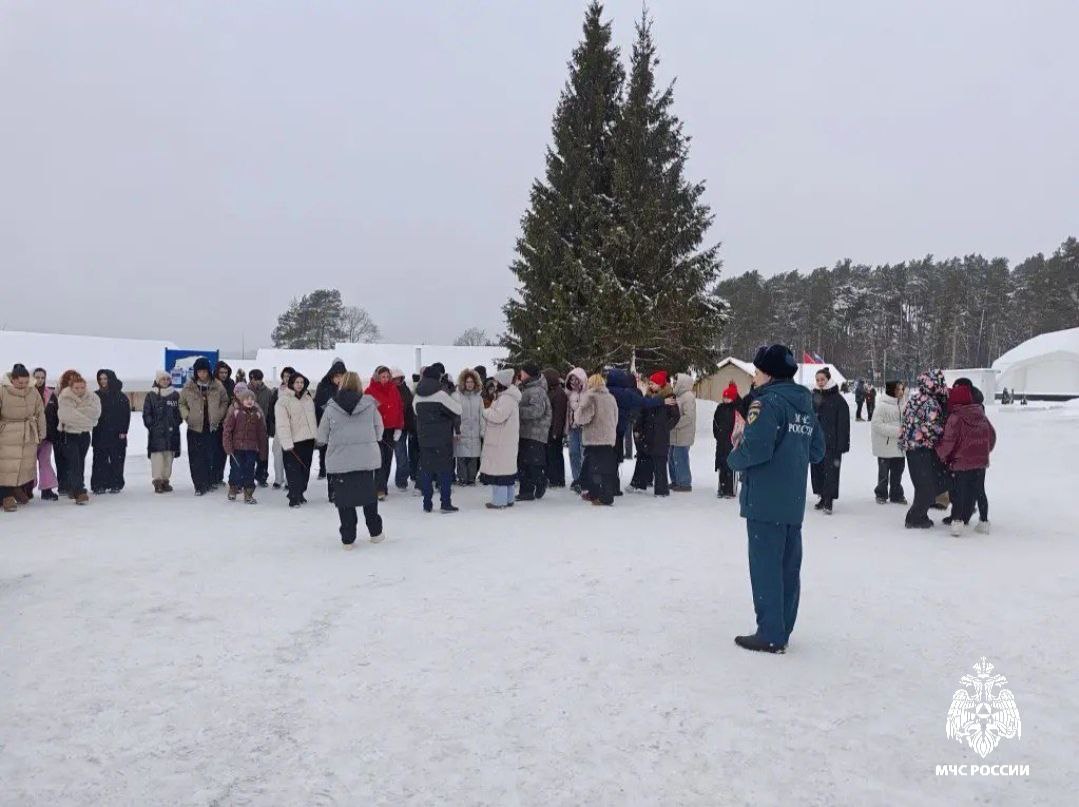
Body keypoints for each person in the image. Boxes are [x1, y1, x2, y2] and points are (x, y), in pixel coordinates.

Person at [727, 345, 825, 654]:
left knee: (766, 568)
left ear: (768, 374)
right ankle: (782, 627)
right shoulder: (804, 404)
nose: (754, 377)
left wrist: (734, 457)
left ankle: (770, 633)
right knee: (787, 569)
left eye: (757, 371)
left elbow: (757, 449)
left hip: (765, 499)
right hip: (792, 500)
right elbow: (817, 450)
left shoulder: (766, 403)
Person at [317, 371, 385, 546]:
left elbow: (322, 435)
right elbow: (379, 430)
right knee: (369, 497)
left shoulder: (331, 407)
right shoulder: (370, 405)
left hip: (340, 461)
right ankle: (375, 532)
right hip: (366, 459)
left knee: (345, 501)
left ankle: (348, 537)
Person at [898, 369, 949, 528]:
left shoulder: (914, 399)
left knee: (921, 485)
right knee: (927, 487)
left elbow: (906, 422)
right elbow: (931, 428)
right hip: (922, 449)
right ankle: (914, 518)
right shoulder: (931, 404)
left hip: (910, 448)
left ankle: (920, 515)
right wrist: (943, 432)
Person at [944, 378, 994, 534]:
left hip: (961, 461)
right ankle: (984, 521)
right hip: (980, 461)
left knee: (959, 491)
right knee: (980, 491)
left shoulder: (956, 416)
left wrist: (943, 455)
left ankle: (957, 522)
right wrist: (983, 451)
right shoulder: (980, 413)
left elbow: (949, 441)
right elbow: (991, 436)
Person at [414, 365, 463, 513]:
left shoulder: (417, 396)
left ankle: (427, 504)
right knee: (445, 471)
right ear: (438, 378)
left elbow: (416, 412)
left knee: (426, 470)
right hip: (442, 439)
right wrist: (453, 392)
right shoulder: (441, 395)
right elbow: (458, 409)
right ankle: (445, 503)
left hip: (424, 438)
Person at [179, 357, 230, 496]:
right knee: (196, 458)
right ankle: (199, 485)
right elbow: (181, 403)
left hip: (211, 426)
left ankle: (209, 481)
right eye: (199, 371)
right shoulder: (189, 386)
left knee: (210, 456)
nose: (202, 374)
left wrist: (219, 414)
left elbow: (225, 401)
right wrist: (187, 416)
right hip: (194, 427)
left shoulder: (217, 385)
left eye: (205, 371)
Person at [0, 364, 46, 512]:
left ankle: (16, 488)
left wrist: (41, 433)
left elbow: (40, 412)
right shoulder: (2, 390)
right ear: (12, 380)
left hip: (28, 433)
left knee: (24, 465)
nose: (24, 385)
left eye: (26, 382)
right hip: (7, 433)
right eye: (20, 382)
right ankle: (6, 496)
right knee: (6, 466)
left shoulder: (33, 391)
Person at [629, 372, 679, 496]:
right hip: (647, 434)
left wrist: (665, 427)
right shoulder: (648, 397)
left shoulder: (669, 397)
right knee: (644, 458)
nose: (650, 385)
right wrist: (638, 428)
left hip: (660, 436)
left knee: (660, 463)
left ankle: (661, 490)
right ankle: (640, 484)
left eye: (653, 383)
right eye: (650, 383)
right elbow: (641, 414)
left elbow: (675, 416)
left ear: (660, 384)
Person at [56, 370, 102, 505]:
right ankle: (79, 491)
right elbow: (66, 416)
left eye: (82, 387)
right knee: (73, 462)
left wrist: (78, 412)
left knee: (80, 462)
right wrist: (87, 420)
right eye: (76, 388)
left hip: (84, 435)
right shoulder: (65, 397)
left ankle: (75, 487)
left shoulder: (92, 397)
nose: (79, 390)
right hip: (69, 435)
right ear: (71, 387)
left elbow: (96, 413)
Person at [575, 373, 620, 506]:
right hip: (608, 437)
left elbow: (582, 418)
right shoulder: (610, 397)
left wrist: (577, 412)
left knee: (594, 469)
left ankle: (600, 495)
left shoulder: (590, 397)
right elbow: (616, 417)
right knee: (605, 468)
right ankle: (601, 493)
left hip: (594, 437)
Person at [810, 367, 850, 514]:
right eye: (818, 380)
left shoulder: (838, 399)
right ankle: (821, 495)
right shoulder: (813, 397)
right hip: (816, 442)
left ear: (828, 379)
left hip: (832, 442)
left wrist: (842, 443)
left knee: (831, 472)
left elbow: (843, 424)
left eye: (822, 379)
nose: (820, 382)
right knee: (818, 470)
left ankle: (829, 499)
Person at [480, 369, 521, 509]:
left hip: (502, 441)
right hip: (505, 440)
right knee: (506, 471)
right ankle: (508, 499)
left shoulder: (506, 399)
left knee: (500, 472)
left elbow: (498, 416)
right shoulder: (507, 397)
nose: (495, 384)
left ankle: (499, 501)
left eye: (496, 382)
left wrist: (485, 412)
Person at [275, 371, 318, 507]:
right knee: (293, 471)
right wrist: (287, 442)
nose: (299, 385)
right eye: (297, 382)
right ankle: (294, 496)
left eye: (302, 382)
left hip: (308, 440)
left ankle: (300, 492)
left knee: (305, 469)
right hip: (293, 441)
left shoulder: (308, 398)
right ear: (291, 384)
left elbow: (312, 419)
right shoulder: (283, 401)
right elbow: (282, 424)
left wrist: (315, 436)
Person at [222, 386, 269, 503]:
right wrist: (228, 446)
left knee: (249, 470)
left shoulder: (257, 414)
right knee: (236, 469)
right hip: (237, 448)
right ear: (242, 400)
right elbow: (227, 430)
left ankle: (248, 493)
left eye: (252, 399)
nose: (249, 401)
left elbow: (262, 434)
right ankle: (233, 488)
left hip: (251, 449)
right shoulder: (236, 412)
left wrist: (263, 450)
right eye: (247, 399)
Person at [366, 366, 405, 500]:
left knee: (388, 459)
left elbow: (399, 409)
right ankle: (379, 488)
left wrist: (399, 427)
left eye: (388, 377)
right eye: (383, 377)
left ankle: (383, 486)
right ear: (377, 377)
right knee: (379, 459)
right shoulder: (370, 391)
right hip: (376, 430)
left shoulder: (394, 390)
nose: (386, 379)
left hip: (390, 430)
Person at [90, 369, 130, 494]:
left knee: (116, 459)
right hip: (100, 432)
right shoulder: (95, 396)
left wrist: (123, 431)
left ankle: (116, 483)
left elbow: (125, 415)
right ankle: (99, 484)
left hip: (117, 434)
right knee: (99, 460)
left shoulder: (121, 396)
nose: (103, 381)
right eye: (100, 379)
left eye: (105, 379)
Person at [516, 363, 552, 501]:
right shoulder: (527, 388)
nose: (521, 375)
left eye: (523, 372)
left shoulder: (537, 390)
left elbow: (537, 411)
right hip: (525, 432)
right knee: (523, 463)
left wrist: (517, 411)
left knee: (532, 464)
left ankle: (540, 481)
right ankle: (526, 492)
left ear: (529, 374)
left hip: (535, 433)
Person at [143, 370, 182, 493]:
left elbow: (179, 412)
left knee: (168, 458)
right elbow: (146, 413)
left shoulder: (175, 395)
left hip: (171, 433)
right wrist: (152, 425)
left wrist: (176, 422)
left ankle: (165, 480)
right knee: (157, 458)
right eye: (163, 379)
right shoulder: (151, 395)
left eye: (167, 379)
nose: (165, 381)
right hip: (157, 434)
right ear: (157, 381)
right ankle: (158, 481)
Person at [871, 380, 907, 505]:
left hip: (899, 446)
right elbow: (876, 425)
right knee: (883, 474)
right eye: (898, 389)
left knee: (898, 472)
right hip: (885, 446)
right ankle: (881, 494)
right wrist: (897, 431)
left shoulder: (904, 405)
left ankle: (896, 494)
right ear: (891, 390)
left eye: (902, 389)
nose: (901, 392)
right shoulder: (882, 406)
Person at [314, 359, 347, 480]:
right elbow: (318, 403)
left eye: (342, 376)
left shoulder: (347, 387)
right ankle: (323, 469)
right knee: (324, 448)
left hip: (342, 424)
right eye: (337, 376)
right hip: (326, 421)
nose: (339, 379)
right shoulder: (323, 386)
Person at [31, 368, 59, 500]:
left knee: (45, 462)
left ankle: (47, 490)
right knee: (29, 464)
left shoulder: (51, 394)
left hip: (47, 436)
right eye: (37, 377)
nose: (40, 380)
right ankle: (26, 489)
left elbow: (56, 415)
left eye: (42, 377)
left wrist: (55, 433)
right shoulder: (27, 393)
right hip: (30, 436)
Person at [453, 368, 483, 485]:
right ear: (463, 383)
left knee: (473, 457)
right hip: (462, 431)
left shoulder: (479, 398)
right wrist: (456, 430)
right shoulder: (458, 397)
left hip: (475, 431)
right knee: (461, 457)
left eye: (471, 382)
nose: (469, 384)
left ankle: (471, 478)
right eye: (467, 382)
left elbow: (482, 415)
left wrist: (482, 430)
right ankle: (462, 478)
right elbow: (455, 414)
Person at [266, 366, 294, 489]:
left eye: (289, 376)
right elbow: (271, 408)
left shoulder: (298, 390)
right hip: (280, 426)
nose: (287, 378)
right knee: (277, 453)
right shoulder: (277, 391)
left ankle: (289, 480)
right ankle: (278, 478)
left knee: (290, 453)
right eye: (285, 376)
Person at [668, 372, 697, 491]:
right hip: (675, 434)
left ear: (682, 383)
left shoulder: (688, 397)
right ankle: (676, 480)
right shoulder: (677, 396)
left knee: (680, 458)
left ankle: (684, 483)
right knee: (672, 457)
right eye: (674, 382)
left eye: (676, 382)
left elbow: (688, 417)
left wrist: (674, 424)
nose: (674, 384)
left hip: (683, 434)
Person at [713, 381, 742, 498]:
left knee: (731, 465)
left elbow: (740, 425)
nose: (725, 399)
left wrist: (735, 438)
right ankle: (721, 487)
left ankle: (730, 489)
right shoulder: (720, 408)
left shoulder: (738, 409)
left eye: (728, 397)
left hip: (732, 442)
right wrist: (717, 434)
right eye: (724, 397)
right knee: (721, 464)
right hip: (721, 441)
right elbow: (715, 422)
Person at [392, 368, 418, 491]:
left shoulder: (406, 389)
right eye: (395, 379)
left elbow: (411, 408)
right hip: (396, 428)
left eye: (399, 378)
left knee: (409, 455)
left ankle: (407, 477)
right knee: (401, 456)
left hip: (408, 426)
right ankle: (401, 481)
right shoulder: (390, 391)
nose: (397, 381)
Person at [246, 369, 274, 487]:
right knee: (249, 454)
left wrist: (270, 428)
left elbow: (270, 411)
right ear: (250, 379)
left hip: (263, 427)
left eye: (260, 379)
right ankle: (248, 477)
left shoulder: (267, 392)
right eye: (255, 379)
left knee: (263, 454)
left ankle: (262, 477)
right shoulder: (245, 391)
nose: (258, 382)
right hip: (248, 428)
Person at [211, 361, 236, 485]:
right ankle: (212, 477)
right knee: (213, 452)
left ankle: (219, 477)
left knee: (223, 452)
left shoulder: (231, 384)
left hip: (227, 422)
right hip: (214, 421)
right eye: (221, 372)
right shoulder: (212, 384)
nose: (223, 375)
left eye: (225, 372)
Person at [542, 369, 568, 488]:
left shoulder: (558, 394)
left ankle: (556, 479)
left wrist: (556, 432)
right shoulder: (551, 391)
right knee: (550, 455)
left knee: (555, 455)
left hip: (554, 430)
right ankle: (552, 478)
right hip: (549, 429)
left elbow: (559, 415)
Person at [565, 368, 588, 493]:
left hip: (585, 427)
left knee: (584, 453)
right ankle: (576, 478)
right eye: (571, 379)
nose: (573, 382)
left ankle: (584, 478)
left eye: (576, 379)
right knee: (573, 453)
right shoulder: (569, 393)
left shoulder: (588, 393)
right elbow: (568, 411)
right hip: (573, 428)